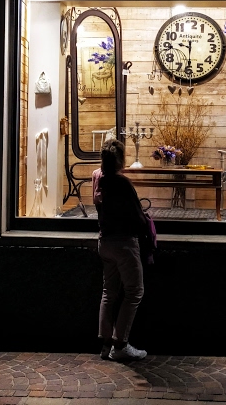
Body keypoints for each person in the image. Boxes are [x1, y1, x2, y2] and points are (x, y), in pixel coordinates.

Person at [92, 138, 148, 361]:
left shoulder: (99, 178)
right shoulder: (122, 183)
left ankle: (106, 344)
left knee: (109, 291)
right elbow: (137, 216)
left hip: (105, 241)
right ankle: (120, 345)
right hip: (124, 243)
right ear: (120, 160)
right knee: (134, 292)